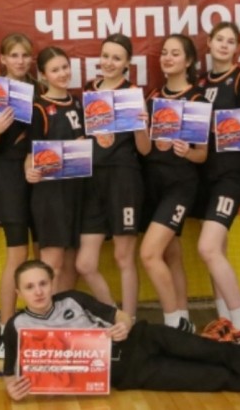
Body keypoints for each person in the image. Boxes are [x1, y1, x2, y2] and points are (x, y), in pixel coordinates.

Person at [3, 260, 240, 400]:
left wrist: (122, 325)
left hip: (142, 339)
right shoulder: (17, 327)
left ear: (51, 284)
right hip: (128, 372)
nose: (38, 292)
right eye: (30, 287)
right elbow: (10, 375)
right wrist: (12, 389)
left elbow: (119, 315)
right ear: (19, 293)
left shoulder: (72, 298)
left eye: (43, 283)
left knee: (217, 351)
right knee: (214, 378)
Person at [194, 22, 240, 345]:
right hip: (202, 175)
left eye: (230, 41)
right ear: (208, 43)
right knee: (217, 250)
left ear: (237, 48)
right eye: (219, 39)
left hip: (230, 175)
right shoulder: (200, 82)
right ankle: (226, 323)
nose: (224, 44)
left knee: (207, 248)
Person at [76, 34, 150, 319]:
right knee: (85, 263)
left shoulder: (133, 93)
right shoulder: (89, 89)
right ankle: (115, 317)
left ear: (127, 63)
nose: (109, 62)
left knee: (123, 257)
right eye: (105, 55)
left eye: (116, 58)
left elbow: (145, 150)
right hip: (91, 180)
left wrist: (141, 127)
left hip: (123, 179)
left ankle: (129, 323)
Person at [140, 34, 207, 332]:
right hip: (152, 184)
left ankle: (173, 324)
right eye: (164, 53)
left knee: (149, 253)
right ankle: (185, 319)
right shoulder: (153, 97)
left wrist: (187, 152)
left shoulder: (197, 100)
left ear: (189, 60)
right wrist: (141, 126)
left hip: (180, 186)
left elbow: (202, 155)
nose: (167, 58)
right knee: (171, 253)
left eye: (175, 53)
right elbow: (145, 149)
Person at [0, 33, 43, 359]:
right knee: (17, 256)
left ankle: (44, 327)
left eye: (25, 55)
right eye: (14, 55)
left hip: (41, 178)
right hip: (8, 179)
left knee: (46, 256)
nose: (20, 61)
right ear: (3, 59)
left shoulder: (41, 92)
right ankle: (5, 330)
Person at [25, 47, 84, 292]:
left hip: (77, 190)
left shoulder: (79, 103)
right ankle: (47, 314)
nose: (62, 74)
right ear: (43, 75)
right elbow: (31, 153)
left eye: (65, 67)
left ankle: (64, 311)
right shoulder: (38, 108)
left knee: (72, 263)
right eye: (55, 70)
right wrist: (29, 170)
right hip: (50, 194)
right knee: (53, 264)